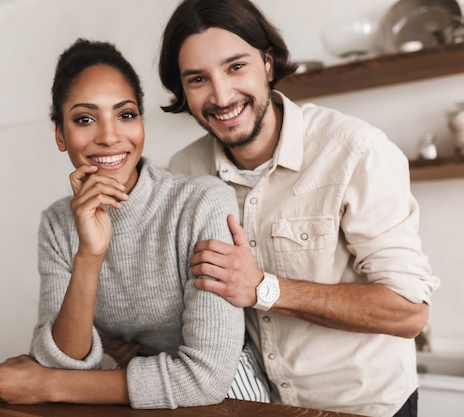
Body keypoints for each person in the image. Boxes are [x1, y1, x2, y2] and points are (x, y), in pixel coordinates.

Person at [156, 0, 440, 416]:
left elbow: (408, 313)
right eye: (198, 79)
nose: (221, 96)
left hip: (367, 408)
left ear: (268, 64)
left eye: (236, 67)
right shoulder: (184, 171)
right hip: (260, 407)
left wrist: (263, 288)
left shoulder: (356, 152)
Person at [0, 38, 268, 409]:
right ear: (60, 135)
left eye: (125, 114)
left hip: (229, 400)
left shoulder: (201, 201)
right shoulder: (57, 223)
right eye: (85, 119)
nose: (110, 136)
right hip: (135, 398)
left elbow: (205, 379)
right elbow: (62, 364)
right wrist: (90, 252)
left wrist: (47, 385)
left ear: (141, 123)